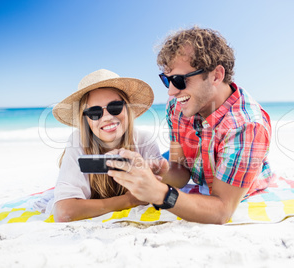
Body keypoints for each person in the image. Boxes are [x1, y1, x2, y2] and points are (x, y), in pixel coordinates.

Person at [108, 27, 273, 224]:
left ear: (216, 76)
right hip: (200, 165)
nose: (171, 92)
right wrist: (160, 170)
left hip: (238, 182)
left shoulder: (246, 127)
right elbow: (181, 169)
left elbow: (221, 211)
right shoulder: (178, 107)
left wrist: (161, 193)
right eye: (167, 80)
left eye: (178, 80)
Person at [47, 69, 164, 222]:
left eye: (115, 107)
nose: (108, 117)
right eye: (95, 112)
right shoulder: (78, 142)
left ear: (127, 108)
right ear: (86, 119)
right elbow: (64, 212)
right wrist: (129, 200)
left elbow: (160, 190)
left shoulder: (143, 140)